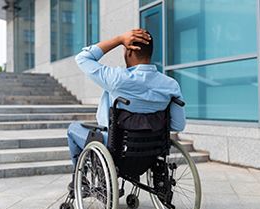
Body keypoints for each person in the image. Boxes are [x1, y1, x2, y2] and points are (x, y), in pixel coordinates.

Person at [67, 29, 186, 190]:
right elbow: (178, 126)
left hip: (116, 148)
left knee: (73, 129)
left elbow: (82, 58)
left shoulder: (116, 78)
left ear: (130, 51)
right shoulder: (171, 85)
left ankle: (81, 181)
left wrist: (118, 38)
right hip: (152, 150)